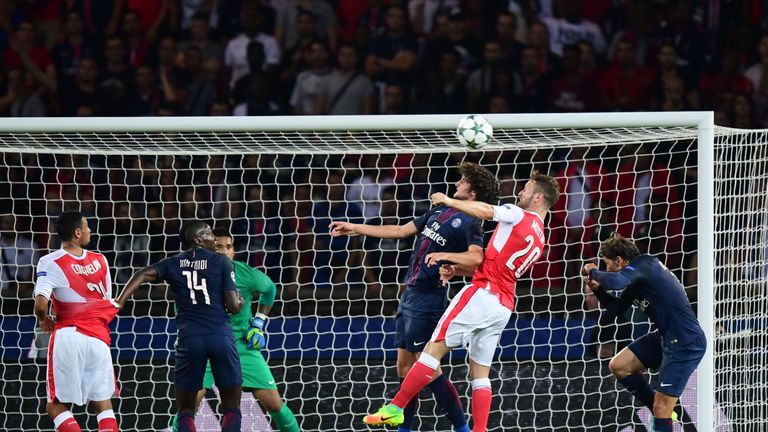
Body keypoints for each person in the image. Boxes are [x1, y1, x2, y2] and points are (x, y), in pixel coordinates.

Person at [362, 171, 560, 432]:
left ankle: (395, 408)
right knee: (480, 374)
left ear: (538, 197)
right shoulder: (540, 236)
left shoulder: (517, 213)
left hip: (482, 294)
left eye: (526, 187)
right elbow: (496, 266)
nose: (520, 192)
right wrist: (456, 269)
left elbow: (486, 211)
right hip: (504, 304)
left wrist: (448, 200)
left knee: (434, 349)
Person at [331, 162, 500, 432]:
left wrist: (448, 258)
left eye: (464, 181)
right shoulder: (441, 209)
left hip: (430, 299)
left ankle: (461, 427)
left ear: (473, 193)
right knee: (403, 368)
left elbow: (477, 257)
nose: (458, 183)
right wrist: (354, 227)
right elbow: (400, 231)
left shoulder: (470, 222)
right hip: (409, 294)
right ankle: (404, 427)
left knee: (428, 369)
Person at [116, 221, 245, 432]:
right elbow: (233, 306)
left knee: (186, 410)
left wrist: (119, 302)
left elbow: (142, 273)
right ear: (198, 240)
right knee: (231, 407)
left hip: (189, 339)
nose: (214, 238)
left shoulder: (172, 263)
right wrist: (239, 301)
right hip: (220, 336)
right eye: (210, 234)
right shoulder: (222, 262)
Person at [171, 228, 300, 432]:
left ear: (233, 251)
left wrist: (258, 323)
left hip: (241, 345)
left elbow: (270, 290)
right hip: (205, 345)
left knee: (274, 404)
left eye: (228, 247)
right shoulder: (195, 275)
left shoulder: (245, 273)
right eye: (218, 246)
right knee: (188, 406)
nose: (224, 251)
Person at [581, 233, 706, 432]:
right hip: (666, 336)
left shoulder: (645, 265)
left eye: (607, 264)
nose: (607, 269)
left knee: (661, 407)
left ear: (620, 261)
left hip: (685, 342)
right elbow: (616, 309)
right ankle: (662, 414)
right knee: (618, 365)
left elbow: (614, 282)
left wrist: (593, 271)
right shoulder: (636, 278)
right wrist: (597, 290)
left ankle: (661, 413)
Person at [33, 211, 120, 432]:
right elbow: (105, 301)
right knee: (103, 405)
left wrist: (44, 320)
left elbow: (41, 305)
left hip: (68, 336)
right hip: (99, 339)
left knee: (55, 406)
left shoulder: (49, 261)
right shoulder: (101, 260)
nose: (90, 230)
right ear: (77, 232)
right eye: (87, 226)